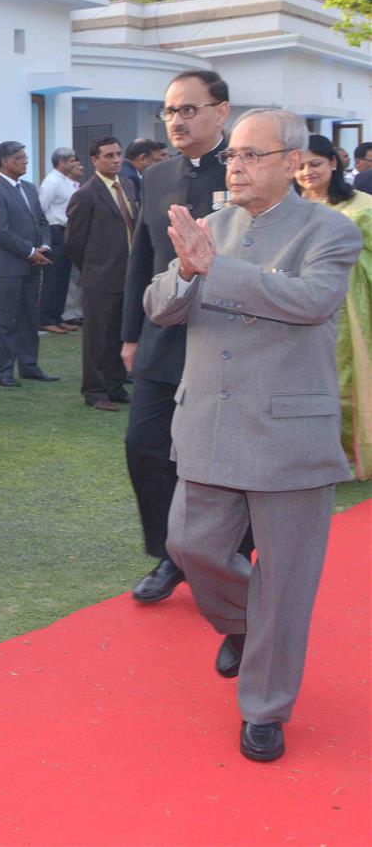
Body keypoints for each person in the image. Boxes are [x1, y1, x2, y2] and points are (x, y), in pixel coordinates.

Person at [146, 108, 361, 763]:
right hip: (210, 421)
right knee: (191, 545)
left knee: (288, 581)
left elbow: (311, 302)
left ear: (292, 162)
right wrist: (185, 271)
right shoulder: (211, 227)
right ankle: (245, 625)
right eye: (232, 153)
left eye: (251, 154)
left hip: (290, 433)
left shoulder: (330, 230)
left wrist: (216, 268)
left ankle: (265, 709)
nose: (234, 165)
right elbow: (160, 307)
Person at [122, 69, 253, 604]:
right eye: (170, 111)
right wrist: (131, 335)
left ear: (221, 112)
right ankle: (170, 554)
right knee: (145, 446)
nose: (177, 120)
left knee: (228, 458)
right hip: (164, 338)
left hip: (230, 337)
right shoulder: (155, 178)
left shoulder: (247, 173)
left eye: (189, 109)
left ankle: (232, 558)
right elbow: (142, 262)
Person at [295, 134, 372, 480]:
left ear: (333, 163)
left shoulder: (362, 207)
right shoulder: (290, 209)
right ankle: (311, 456)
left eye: (315, 164)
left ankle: (350, 458)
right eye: (299, 166)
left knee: (349, 383)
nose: (307, 172)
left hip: (352, 312)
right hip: (298, 310)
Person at [65, 136, 134, 413]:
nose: (116, 159)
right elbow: (73, 242)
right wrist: (93, 267)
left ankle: (115, 385)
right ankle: (94, 390)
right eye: (109, 155)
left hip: (127, 275)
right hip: (99, 277)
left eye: (118, 154)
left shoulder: (127, 186)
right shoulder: (86, 194)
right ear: (94, 160)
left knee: (119, 333)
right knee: (97, 338)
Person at [0, 140, 56, 387]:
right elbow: (1, 231)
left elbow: (42, 221)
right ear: (6, 161)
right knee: (5, 320)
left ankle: (29, 365)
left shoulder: (29, 188)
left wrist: (45, 247)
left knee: (29, 317)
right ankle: (2, 370)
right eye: (20, 157)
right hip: (8, 266)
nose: (25, 161)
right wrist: (30, 252)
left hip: (33, 264)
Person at [37, 147, 82, 334]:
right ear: (61, 162)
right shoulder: (52, 182)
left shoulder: (65, 181)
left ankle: (57, 316)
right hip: (55, 231)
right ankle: (46, 318)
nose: (74, 163)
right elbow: (40, 209)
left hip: (66, 231)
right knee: (53, 278)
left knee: (63, 277)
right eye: (71, 160)